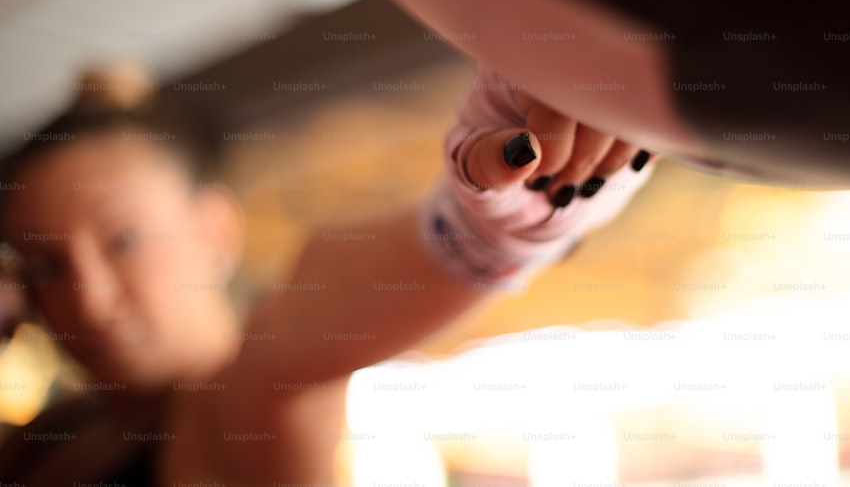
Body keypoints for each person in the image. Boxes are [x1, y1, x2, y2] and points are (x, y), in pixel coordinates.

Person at [0, 62, 654, 485]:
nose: (87, 297)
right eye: (47, 265)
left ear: (214, 232)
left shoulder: (240, 412)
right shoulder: (56, 432)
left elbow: (307, 325)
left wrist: (487, 227)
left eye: (124, 240)